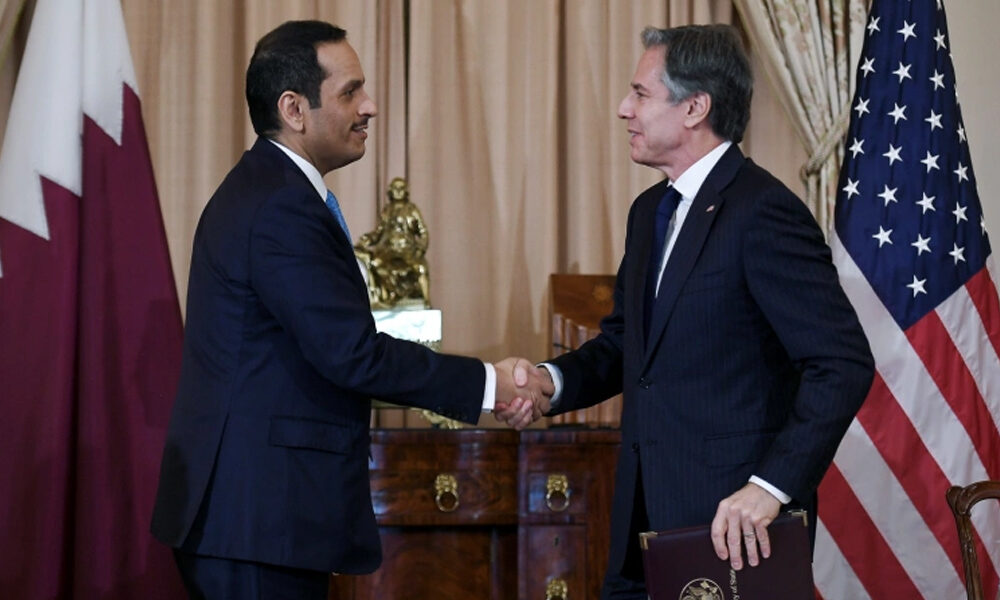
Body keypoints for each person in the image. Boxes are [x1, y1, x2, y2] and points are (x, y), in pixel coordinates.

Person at [150, 20, 550, 599]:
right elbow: (352, 354)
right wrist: (491, 384)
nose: (370, 106)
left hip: (257, 519)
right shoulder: (280, 206)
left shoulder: (271, 190)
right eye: (350, 92)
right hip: (256, 520)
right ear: (294, 108)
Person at [497, 25, 874, 599]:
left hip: (734, 533)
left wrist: (770, 487)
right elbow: (627, 345)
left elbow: (842, 363)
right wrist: (551, 382)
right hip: (642, 527)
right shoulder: (649, 211)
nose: (624, 109)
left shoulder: (764, 211)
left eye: (640, 94)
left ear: (695, 107)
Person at [354, 176, 431, 308]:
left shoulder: (412, 209)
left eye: (401, 188)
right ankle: (383, 298)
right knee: (374, 264)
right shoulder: (387, 210)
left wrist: (420, 249)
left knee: (421, 268)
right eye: (395, 188)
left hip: (407, 251)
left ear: (406, 191)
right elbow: (378, 233)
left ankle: (426, 301)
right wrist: (368, 239)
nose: (398, 191)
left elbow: (423, 232)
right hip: (388, 251)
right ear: (390, 191)